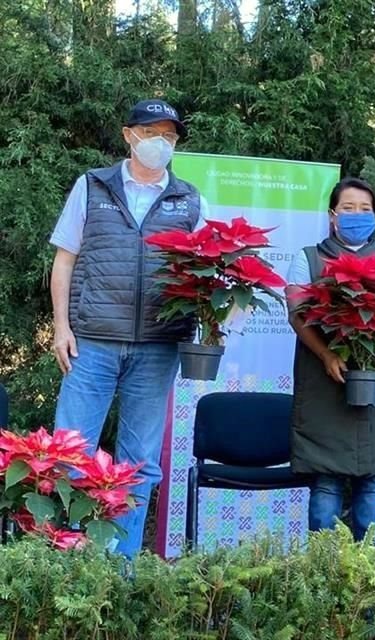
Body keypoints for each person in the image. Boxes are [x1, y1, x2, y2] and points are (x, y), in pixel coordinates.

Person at [50, 99, 207, 556]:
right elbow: (65, 259)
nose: (160, 143)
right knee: (70, 455)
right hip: (91, 343)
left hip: (157, 349)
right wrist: (61, 326)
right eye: (151, 132)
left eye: (170, 136)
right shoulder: (91, 185)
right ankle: (69, 563)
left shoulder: (190, 198)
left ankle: (122, 570)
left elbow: (211, 266)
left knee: (137, 465)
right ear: (128, 135)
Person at [285, 177, 375, 548]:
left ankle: (370, 580)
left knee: (373, 484)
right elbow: (297, 315)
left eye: (365, 209)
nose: (357, 215)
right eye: (348, 208)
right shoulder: (307, 259)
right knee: (326, 484)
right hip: (325, 385)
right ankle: (326, 573)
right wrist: (326, 354)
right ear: (332, 215)